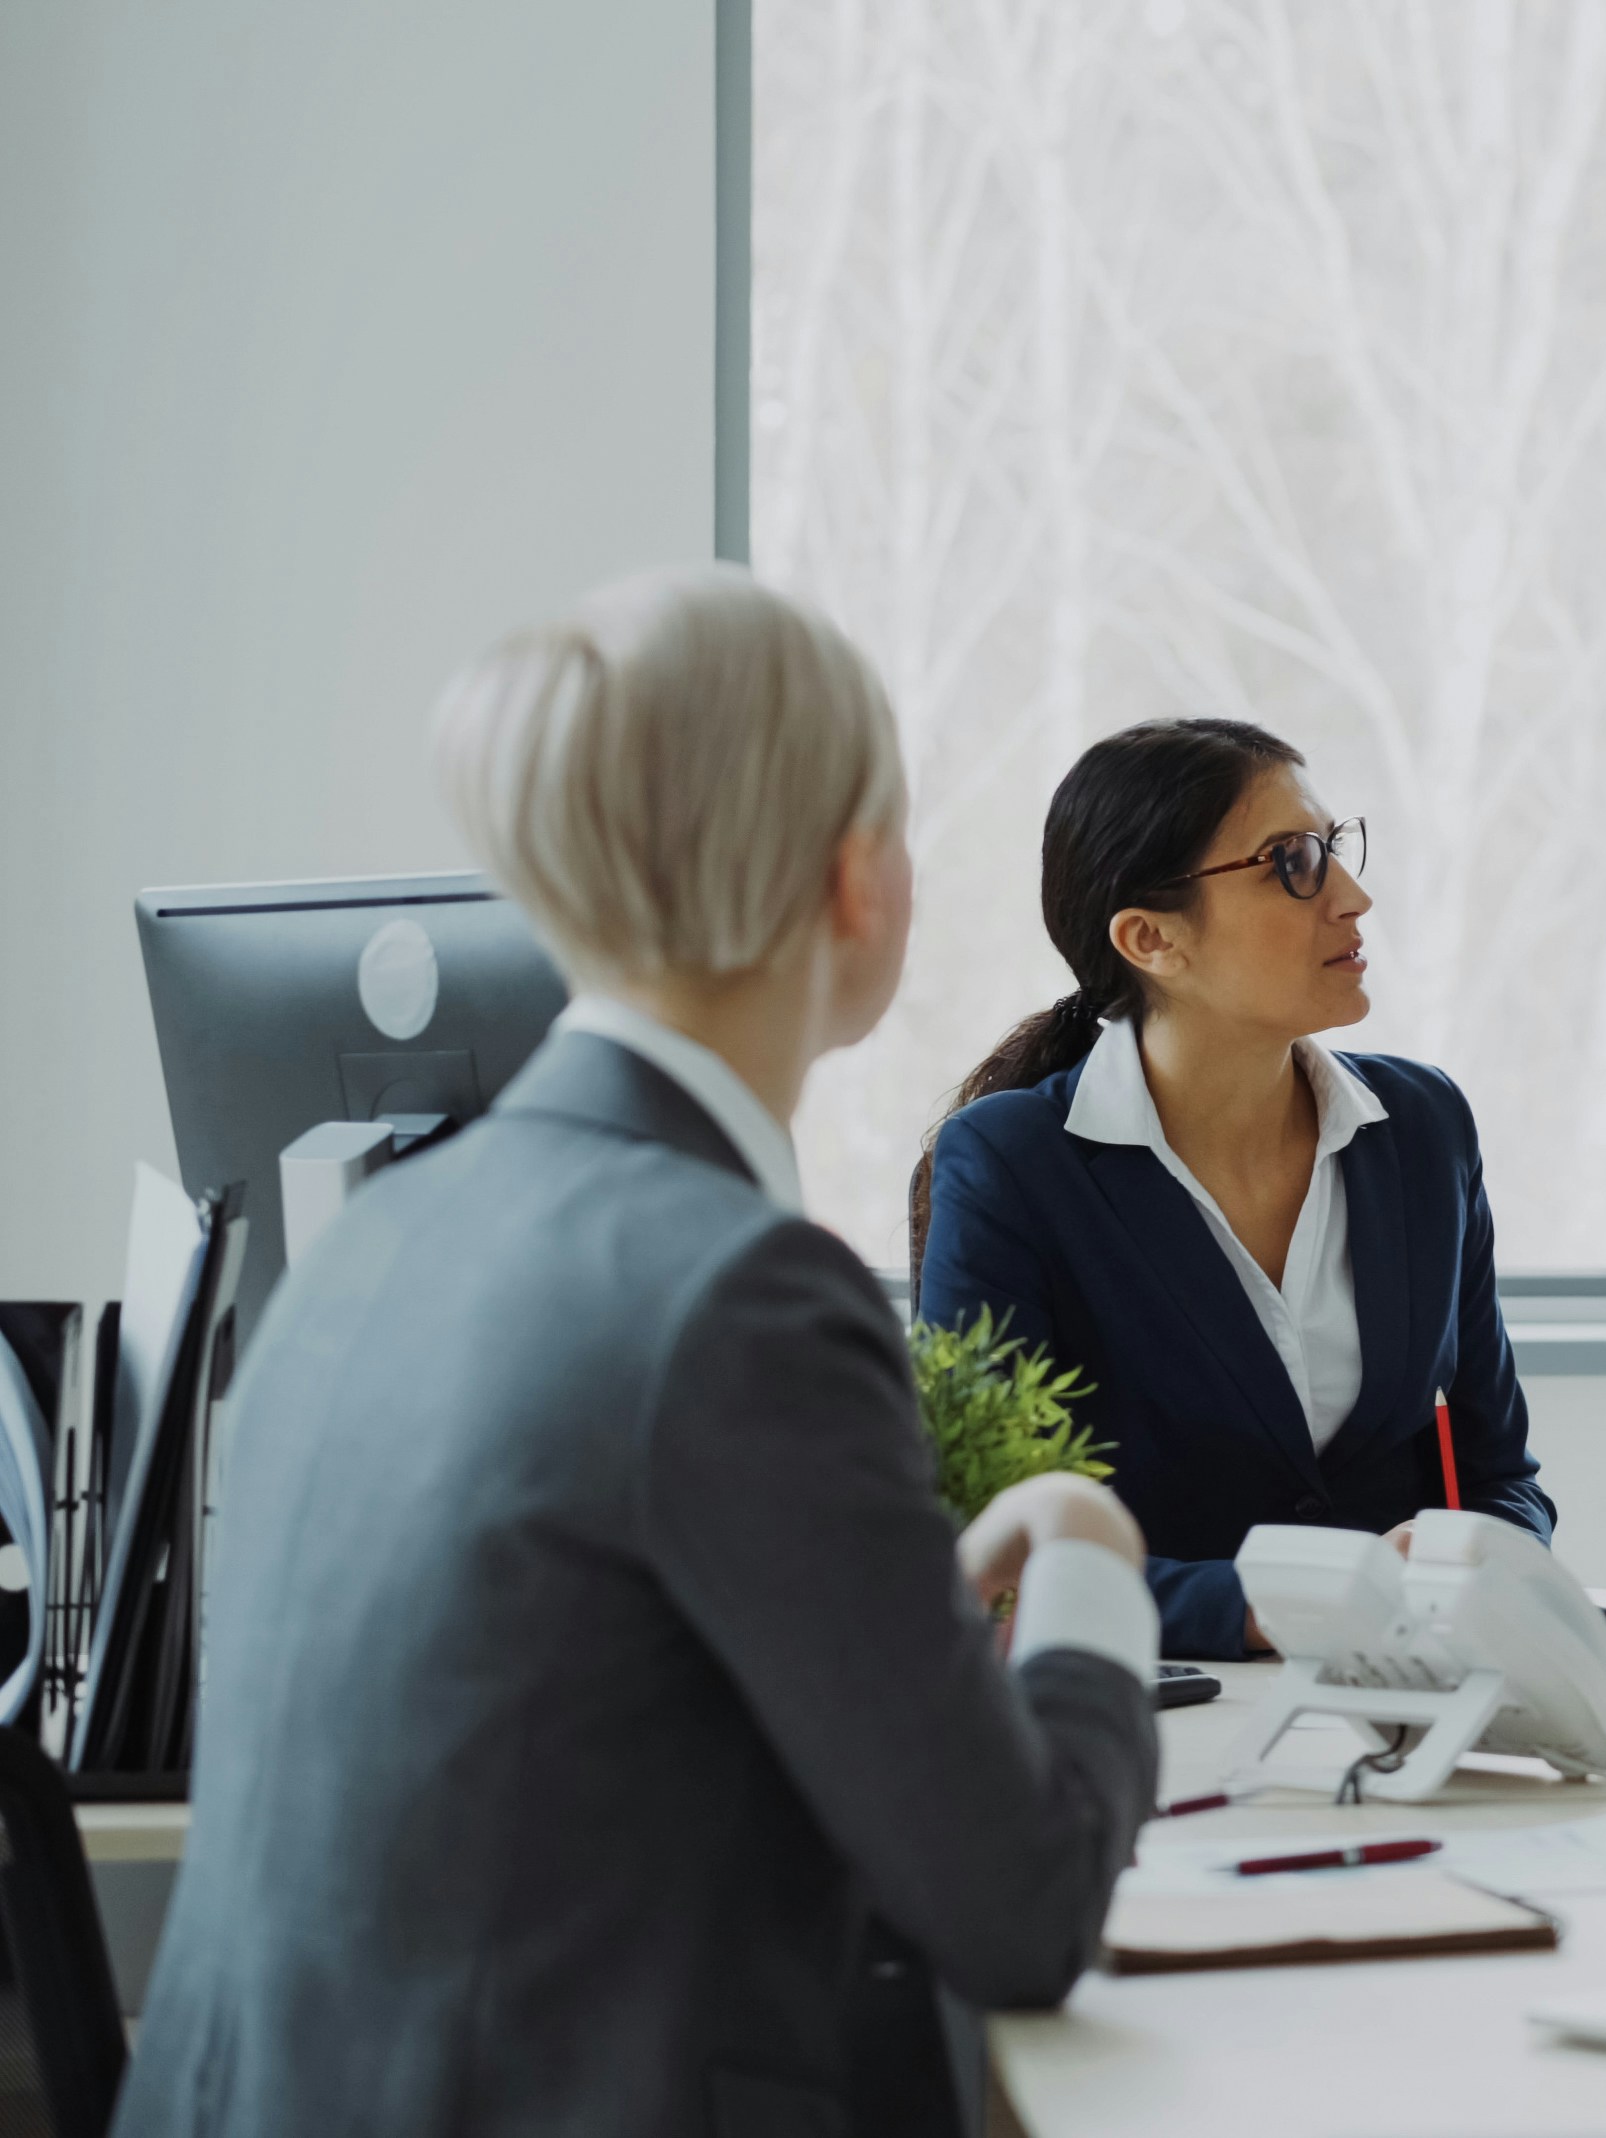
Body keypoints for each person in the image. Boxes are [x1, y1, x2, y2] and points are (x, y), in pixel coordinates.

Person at [116, 567, 1160, 2138]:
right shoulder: (743, 1296)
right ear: (852, 881)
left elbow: (583, 1697)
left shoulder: (376, 1235)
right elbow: (1022, 1907)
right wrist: (1088, 1554)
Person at [917, 719, 1550, 1662]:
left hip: (1412, 1695)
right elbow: (988, 1547)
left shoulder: (1422, 1126)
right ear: (1149, 938)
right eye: (1292, 863)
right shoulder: (1012, 1166)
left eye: (1335, 849)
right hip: (1153, 1715)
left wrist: (1472, 1559)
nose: (1354, 896)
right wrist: (1294, 1603)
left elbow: (1502, 1478)